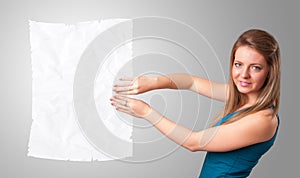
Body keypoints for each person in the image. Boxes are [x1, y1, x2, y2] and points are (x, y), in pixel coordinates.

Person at [110, 29, 280, 177]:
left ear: (270, 72)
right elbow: (190, 82)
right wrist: (154, 81)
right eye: (238, 64)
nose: (243, 74)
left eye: (255, 67)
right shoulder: (242, 97)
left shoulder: (263, 120)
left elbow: (193, 142)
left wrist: (146, 112)